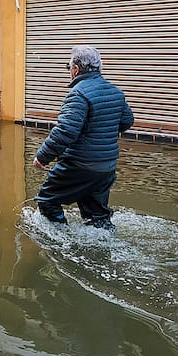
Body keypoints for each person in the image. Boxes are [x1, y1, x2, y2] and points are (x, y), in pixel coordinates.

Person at [32, 46, 133, 231]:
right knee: (98, 216)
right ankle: (106, 243)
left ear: (76, 69)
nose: (68, 71)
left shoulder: (78, 94)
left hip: (80, 165)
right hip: (106, 166)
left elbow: (65, 131)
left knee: (47, 199)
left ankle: (63, 238)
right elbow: (127, 121)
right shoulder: (115, 91)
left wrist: (42, 157)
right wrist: (100, 132)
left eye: (68, 66)